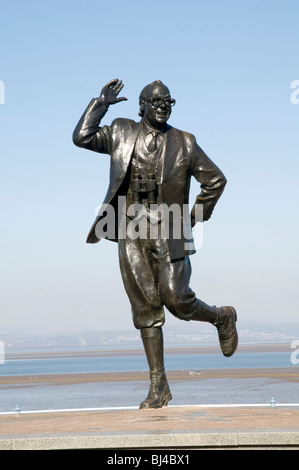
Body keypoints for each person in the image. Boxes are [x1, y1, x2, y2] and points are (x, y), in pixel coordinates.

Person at [73, 78, 238, 409]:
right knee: (145, 309)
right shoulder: (120, 132)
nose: (163, 107)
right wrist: (100, 104)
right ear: (142, 105)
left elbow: (216, 179)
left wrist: (195, 215)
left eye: (168, 102)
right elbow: (82, 137)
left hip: (170, 224)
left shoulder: (185, 143)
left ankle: (221, 317)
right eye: (156, 102)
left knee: (176, 299)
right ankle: (158, 386)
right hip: (130, 225)